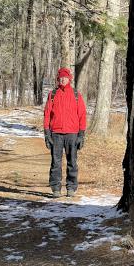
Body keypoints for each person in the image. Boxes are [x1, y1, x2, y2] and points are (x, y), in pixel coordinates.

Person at [43, 67, 87, 198]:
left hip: (72, 134)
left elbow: (82, 115)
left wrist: (81, 134)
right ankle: (56, 188)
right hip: (56, 133)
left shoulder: (76, 95)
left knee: (72, 162)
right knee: (56, 162)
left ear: (69, 79)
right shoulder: (53, 94)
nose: (63, 79)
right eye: (60, 77)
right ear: (58, 79)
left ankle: (71, 188)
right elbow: (46, 115)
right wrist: (46, 133)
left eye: (65, 77)